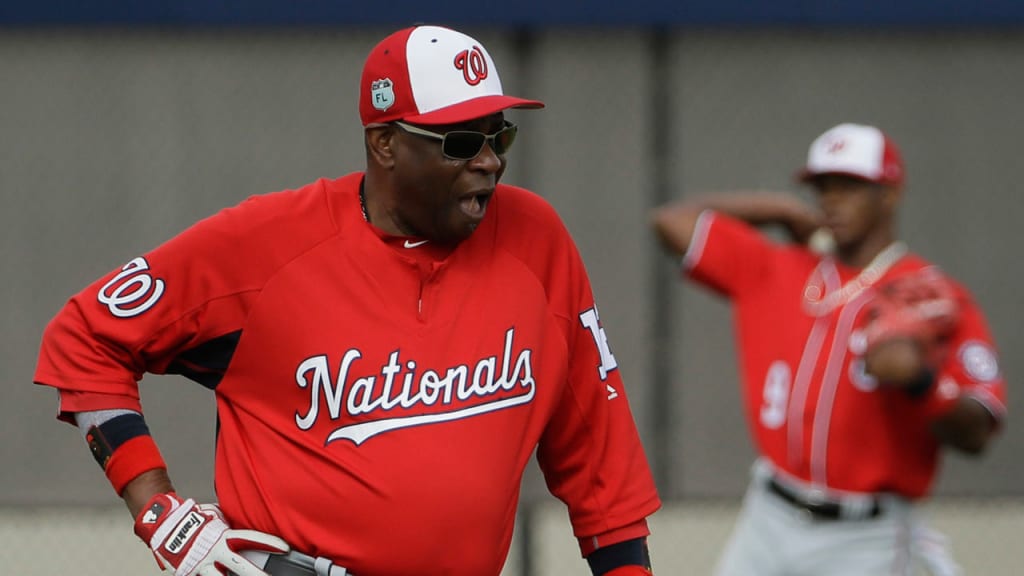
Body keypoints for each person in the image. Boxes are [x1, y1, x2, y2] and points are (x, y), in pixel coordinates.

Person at [33, 25, 661, 576]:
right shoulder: (269, 245)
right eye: (461, 141)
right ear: (385, 143)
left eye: (500, 135)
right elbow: (85, 337)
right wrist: (161, 514)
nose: (491, 161)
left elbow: (596, 452)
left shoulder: (535, 239)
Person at [651, 122, 1007, 576]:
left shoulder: (932, 294)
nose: (832, 200)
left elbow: (977, 433)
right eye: (824, 187)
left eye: (850, 186)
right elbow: (670, 221)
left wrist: (921, 381)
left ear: (890, 194)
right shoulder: (778, 269)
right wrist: (777, 210)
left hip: (866, 537)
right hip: (768, 516)